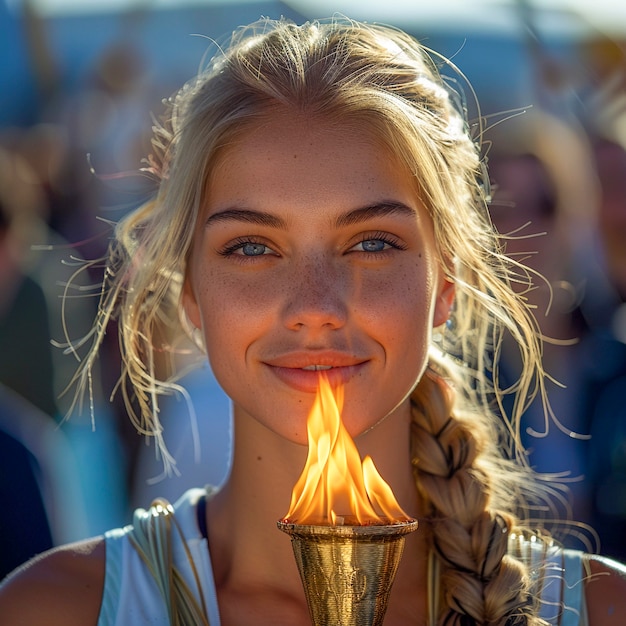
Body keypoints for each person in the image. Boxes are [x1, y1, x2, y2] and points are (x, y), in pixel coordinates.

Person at [1, 16, 625, 626]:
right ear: (191, 289)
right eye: (251, 247)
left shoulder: (600, 609)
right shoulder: (56, 610)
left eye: (372, 243)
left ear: (448, 279)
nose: (314, 307)